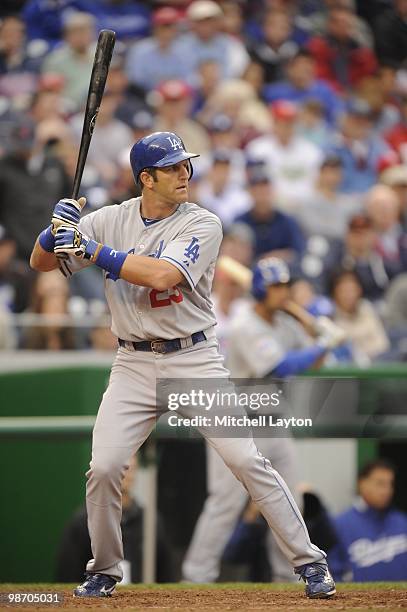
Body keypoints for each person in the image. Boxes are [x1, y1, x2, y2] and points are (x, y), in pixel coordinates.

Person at [30, 131, 336, 599]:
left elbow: (162, 274)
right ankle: (105, 569)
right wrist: (53, 231)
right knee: (105, 467)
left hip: (192, 357)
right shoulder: (111, 219)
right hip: (132, 361)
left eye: (185, 165)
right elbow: (41, 264)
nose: (184, 173)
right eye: (172, 167)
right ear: (145, 178)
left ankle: (309, 561)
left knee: (246, 459)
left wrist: (91, 249)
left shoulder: (204, 223)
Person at [183, 258, 344, 584]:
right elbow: (279, 367)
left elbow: (311, 363)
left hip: (274, 421)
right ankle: (195, 577)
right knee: (224, 506)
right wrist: (323, 343)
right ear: (259, 289)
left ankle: (288, 578)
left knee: (289, 502)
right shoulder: (244, 324)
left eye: (285, 286)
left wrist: (320, 333)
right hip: (234, 420)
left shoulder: (285, 323)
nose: (283, 293)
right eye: (276, 287)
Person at [55, 455, 174, 583]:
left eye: (129, 468)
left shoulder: (151, 522)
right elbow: (68, 576)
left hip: (140, 599)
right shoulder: (82, 521)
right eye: (119, 468)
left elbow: (166, 576)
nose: (125, 474)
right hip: (96, 597)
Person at [328, 459, 407, 581]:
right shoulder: (340, 524)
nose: (386, 491)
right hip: (358, 599)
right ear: (362, 484)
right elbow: (333, 574)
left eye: (389, 484)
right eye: (380, 483)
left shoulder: (402, 522)